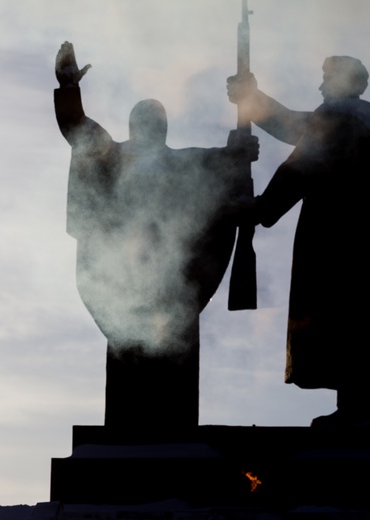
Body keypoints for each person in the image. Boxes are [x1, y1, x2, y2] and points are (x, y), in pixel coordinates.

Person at [227, 56, 370, 426]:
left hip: (363, 249)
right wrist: (252, 98)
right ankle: (359, 406)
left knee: (354, 316)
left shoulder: (345, 116)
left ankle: (361, 409)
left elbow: (302, 163)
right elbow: (297, 126)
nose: (321, 87)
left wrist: (259, 209)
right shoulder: (359, 117)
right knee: (361, 319)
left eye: (326, 79)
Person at [55, 42, 258, 428]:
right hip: (126, 282)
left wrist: (238, 149)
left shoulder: (182, 162)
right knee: (127, 370)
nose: (151, 126)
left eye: (156, 120)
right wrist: (68, 89)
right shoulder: (111, 156)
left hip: (173, 286)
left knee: (174, 380)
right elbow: (77, 128)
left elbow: (218, 163)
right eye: (145, 120)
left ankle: (171, 431)